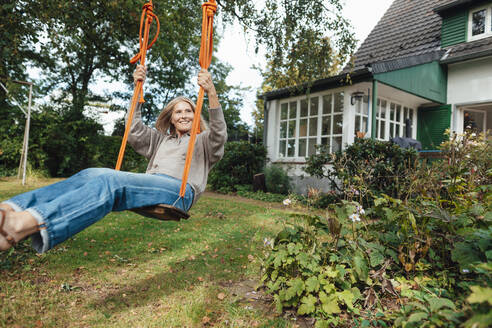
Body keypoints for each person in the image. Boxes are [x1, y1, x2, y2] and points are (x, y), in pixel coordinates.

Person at [0, 66, 227, 253]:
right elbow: (134, 130)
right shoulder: (161, 141)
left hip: (180, 192)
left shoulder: (203, 142)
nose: (184, 115)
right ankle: (11, 208)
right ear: (171, 118)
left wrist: (211, 92)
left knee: (110, 182)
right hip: (153, 184)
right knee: (92, 174)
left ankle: (23, 225)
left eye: (188, 111)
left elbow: (219, 134)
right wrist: (137, 91)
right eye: (178, 112)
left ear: (196, 115)